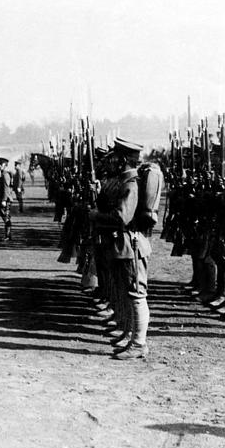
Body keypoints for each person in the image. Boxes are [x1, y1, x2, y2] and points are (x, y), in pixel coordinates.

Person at [90, 137, 151, 360]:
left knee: (136, 294)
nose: (112, 159)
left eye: (116, 156)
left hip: (130, 245)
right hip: (122, 245)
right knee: (127, 292)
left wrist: (97, 216)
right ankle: (130, 334)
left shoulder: (131, 184)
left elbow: (122, 217)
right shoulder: (124, 181)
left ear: (124, 159)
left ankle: (138, 343)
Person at [0, 157, 13, 241]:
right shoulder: (3, 174)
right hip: (3, 200)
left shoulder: (5, 175)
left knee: (6, 217)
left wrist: (4, 200)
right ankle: (8, 235)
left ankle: (7, 236)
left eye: (1, 164)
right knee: (6, 217)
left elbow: (6, 188)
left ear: (5, 165)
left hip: (5, 201)